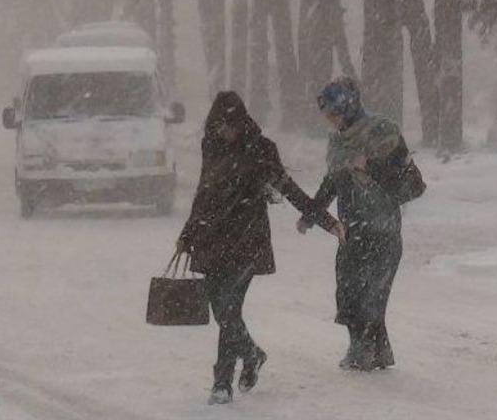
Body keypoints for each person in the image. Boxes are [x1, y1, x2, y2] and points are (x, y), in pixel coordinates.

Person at [176, 91, 345, 404]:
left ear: (240, 122)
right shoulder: (211, 145)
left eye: (228, 125)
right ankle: (252, 354)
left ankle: (221, 382)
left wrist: (326, 221)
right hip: (211, 239)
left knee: (229, 310)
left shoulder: (261, 149)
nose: (224, 131)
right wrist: (187, 234)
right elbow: (204, 190)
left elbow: (289, 189)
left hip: (246, 240)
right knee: (221, 311)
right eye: (219, 125)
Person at [297, 77, 414, 371]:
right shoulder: (340, 142)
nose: (331, 120)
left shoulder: (382, 132)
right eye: (327, 115)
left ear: (347, 107)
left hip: (383, 227)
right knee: (352, 292)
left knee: (371, 294)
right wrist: (311, 213)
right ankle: (378, 350)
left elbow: (403, 178)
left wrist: (370, 166)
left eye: (333, 113)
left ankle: (363, 350)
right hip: (353, 229)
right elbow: (333, 182)